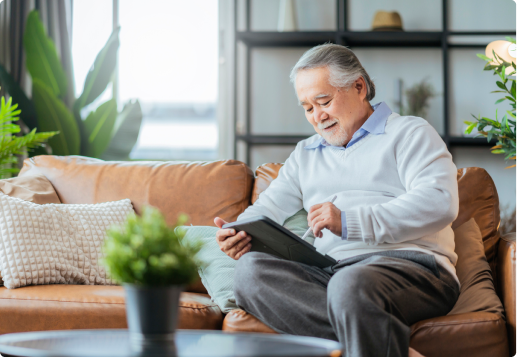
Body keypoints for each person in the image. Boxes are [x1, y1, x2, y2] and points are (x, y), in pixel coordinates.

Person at [214, 43, 459, 357]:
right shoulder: (306, 153)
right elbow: (269, 207)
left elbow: (439, 201)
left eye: (323, 101)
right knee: (250, 273)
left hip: (414, 267)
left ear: (359, 87)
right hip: (333, 272)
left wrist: (348, 221)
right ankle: (387, 346)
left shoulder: (409, 132)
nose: (318, 116)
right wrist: (240, 230)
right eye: (307, 108)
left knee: (350, 286)